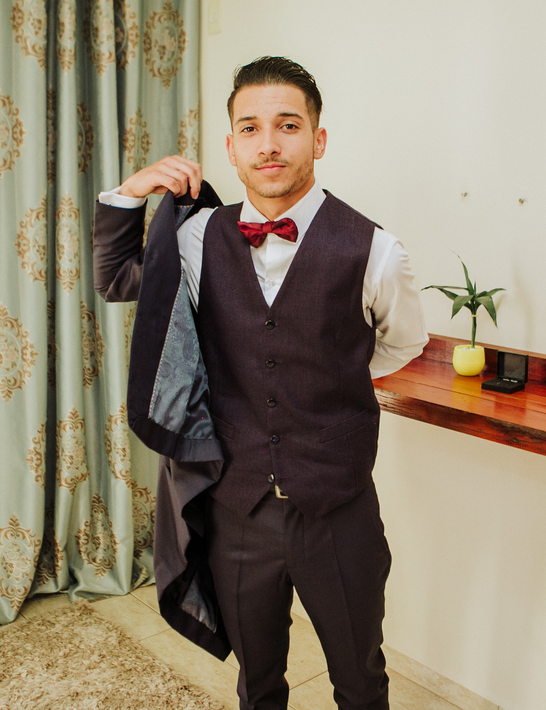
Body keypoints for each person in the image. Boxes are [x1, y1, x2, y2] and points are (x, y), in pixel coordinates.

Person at [94, 56, 427, 710]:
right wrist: (132, 191)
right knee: (258, 684)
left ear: (318, 140)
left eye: (288, 125)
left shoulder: (376, 250)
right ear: (231, 148)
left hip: (338, 512)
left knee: (361, 682)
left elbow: (402, 343)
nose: (268, 143)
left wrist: (327, 374)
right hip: (237, 510)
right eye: (250, 128)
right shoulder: (194, 239)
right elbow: (115, 279)